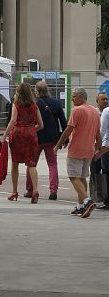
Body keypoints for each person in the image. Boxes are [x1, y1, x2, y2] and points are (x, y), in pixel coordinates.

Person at [55, 87, 101, 218]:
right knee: (82, 177)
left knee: (73, 177)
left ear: (81, 97)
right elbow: (98, 133)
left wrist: (57, 145)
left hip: (76, 149)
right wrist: (97, 148)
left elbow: (68, 130)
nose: (72, 98)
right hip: (89, 150)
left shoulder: (77, 110)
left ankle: (87, 201)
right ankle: (80, 206)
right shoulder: (94, 111)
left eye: (74, 96)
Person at [25, 81, 67, 200]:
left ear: (36, 91)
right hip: (52, 139)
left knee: (31, 164)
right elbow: (63, 122)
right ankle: (53, 190)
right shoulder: (56, 103)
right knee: (52, 164)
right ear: (48, 89)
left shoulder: (34, 104)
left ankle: (30, 190)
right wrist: (65, 138)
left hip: (36, 138)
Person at [2, 82, 44, 202]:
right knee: (31, 163)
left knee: (15, 163)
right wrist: (30, 129)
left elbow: (13, 120)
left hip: (17, 133)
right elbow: (41, 125)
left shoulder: (16, 104)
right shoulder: (34, 105)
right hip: (31, 134)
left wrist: (5, 135)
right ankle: (35, 190)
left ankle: (15, 191)